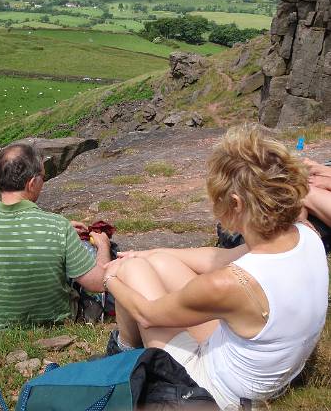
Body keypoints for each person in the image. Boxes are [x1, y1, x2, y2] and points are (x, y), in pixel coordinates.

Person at [103, 125, 329, 411]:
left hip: (215, 391)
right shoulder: (305, 234)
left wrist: (112, 279)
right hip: (270, 370)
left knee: (131, 271)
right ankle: (126, 344)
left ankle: (121, 352)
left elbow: (146, 315)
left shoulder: (230, 284)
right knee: (157, 263)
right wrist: (151, 251)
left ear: (236, 203)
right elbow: (223, 257)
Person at [0, 143, 111, 335]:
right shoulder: (57, 226)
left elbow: (11, 239)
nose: (44, 180)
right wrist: (103, 246)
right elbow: (99, 283)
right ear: (31, 183)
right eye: (43, 177)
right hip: (58, 323)